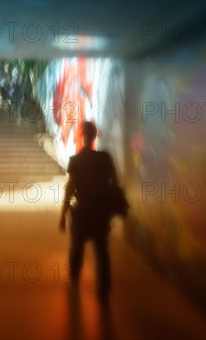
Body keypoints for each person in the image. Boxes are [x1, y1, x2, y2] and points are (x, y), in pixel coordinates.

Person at [59, 121, 118, 304]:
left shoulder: (76, 160)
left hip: (82, 211)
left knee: (77, 247)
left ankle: (74, 280)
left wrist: (63, 214)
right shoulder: (105, 158)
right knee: (102, 252)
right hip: (100, 213)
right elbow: (114, 183)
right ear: (95, 135)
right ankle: (103, 291)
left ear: (82, 135)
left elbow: (70, 188)